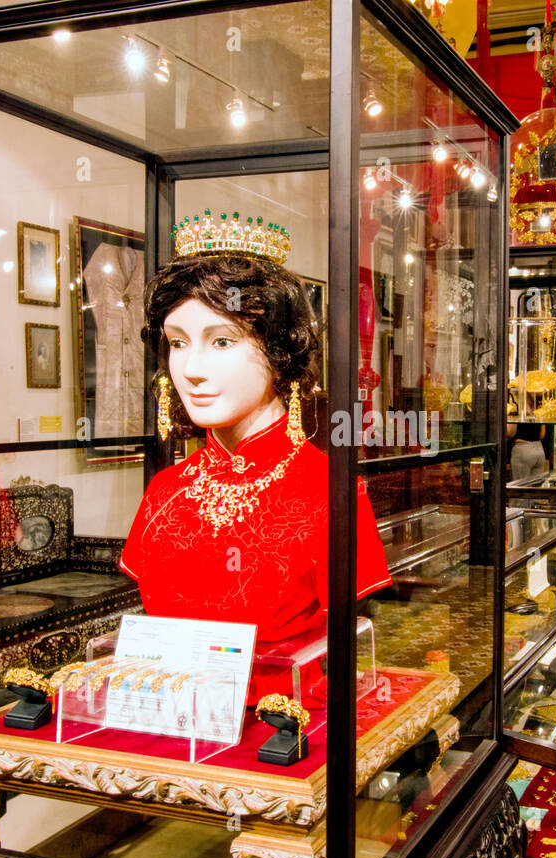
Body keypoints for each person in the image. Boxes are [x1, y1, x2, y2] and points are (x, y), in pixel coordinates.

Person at [119, 219, 392, 708]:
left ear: (279, 351)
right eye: (178, 342)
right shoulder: (166, 490)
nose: (192, 369)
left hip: (284, 731)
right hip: (162, 720)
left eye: (222, 341)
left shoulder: (326, 490)